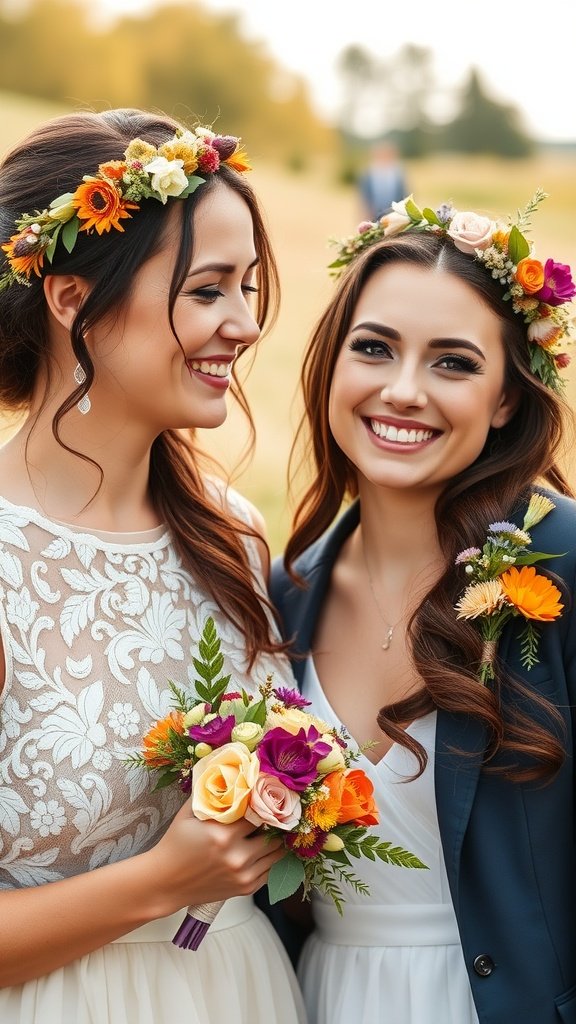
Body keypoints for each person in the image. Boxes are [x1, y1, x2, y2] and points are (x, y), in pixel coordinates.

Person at [0, 108, 307, 1024]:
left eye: (248, 287)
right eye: (209, 289)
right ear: (70, 300)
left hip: (240, 993)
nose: (246, 325)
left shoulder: (234, 536)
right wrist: (163, 880)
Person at [270, 193, 576, 1023]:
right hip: (321, 998)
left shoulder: (564, 565)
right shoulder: (281, 594)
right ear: (333, 363)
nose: (403, 391)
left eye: (453, 362)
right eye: (374, 349)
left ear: (508, 396)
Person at [357, 140, 407, 222]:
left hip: (395, 215)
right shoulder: (368, 173)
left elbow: (404, 194)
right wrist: (365, 215)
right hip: (374, 215)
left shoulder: (398, 173)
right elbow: (364, 197)